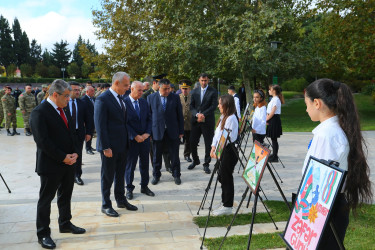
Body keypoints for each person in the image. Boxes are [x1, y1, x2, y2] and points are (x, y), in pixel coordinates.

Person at [303, 78, 372, 248]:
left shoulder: (327, 135)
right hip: (328, 208)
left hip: (324, 210)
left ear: (317, 103)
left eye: (307, 104)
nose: (306, 109)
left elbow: (320, 181)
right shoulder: (333, 130)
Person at [30, 79, 86, 249]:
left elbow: (72, 133)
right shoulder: (40, 112)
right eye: (67, 96)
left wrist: (76, 152)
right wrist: (63, 157)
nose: (70, 99)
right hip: (51, 164)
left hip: (69, 162)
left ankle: (65, 223)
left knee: (65, 195)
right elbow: (43, 141)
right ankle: (43, 233)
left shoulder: (64, 108)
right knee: (46, 199)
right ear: (55, 94)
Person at [94, 72, 138, 218]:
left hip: (122, 145)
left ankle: (120, 199)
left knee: (120, 174)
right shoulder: (103, 99)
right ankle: (106, 204)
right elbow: (100, 126)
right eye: (126, 85)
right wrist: (105, 147)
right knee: (107, 176)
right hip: (110, 147)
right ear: (117, 83)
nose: (127, 88)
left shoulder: (121, 99)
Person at [147, 78, 184, 185]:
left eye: (169, 89)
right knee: (156, 155)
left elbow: (179, 116)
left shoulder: (175, 97)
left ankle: (176, 175)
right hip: (157, 131)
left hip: (172, 131)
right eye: (165, 89)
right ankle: (156, 175)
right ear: (159, 87)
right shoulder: (151, 98)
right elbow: (148, 117)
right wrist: (149, 132)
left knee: (174, 155)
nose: (167, 91)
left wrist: (181, 131)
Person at [124, 81, 154, 199]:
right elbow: (125, 123)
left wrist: (147, 133)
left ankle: (144, 186)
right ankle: (129, 188)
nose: (142, 92)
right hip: (132, 140)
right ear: (132, 89)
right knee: (130, 165)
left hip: (145, 140)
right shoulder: (124, 103)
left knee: (145, 164)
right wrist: (135, 135)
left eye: (143, 90)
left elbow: (149, 119)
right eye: (139, 90)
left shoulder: (143, 102)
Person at [210, 95, 239, 216]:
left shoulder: (231, 118)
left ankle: (228, 206)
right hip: (223, 150)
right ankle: (224, 201)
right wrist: (213, 147)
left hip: (228, 151)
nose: (218, 106)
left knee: (226, 177)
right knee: (221, 176)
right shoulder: (224, 117)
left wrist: (217, 151)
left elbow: (225, 138)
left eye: (220, 103)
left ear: (226, 104)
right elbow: (217, 134)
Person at [188, 73, 218, 174]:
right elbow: (191, 106)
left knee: (208, 143)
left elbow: (213, 106)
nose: (204, 82)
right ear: (199, 80)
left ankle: (206, 163)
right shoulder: (194, 91)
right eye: (202, 80)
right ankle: (195, 160)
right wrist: (197, 115)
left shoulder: (213, 91)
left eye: (205, 80)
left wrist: (203, 114)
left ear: (208, 80)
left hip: (208, 121)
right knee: (192, 142)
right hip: (196, 121)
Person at [67, 82, 93, 186]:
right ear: (69, 90)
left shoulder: (82, 103)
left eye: (78, 90)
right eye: (75, 90)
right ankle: (67, 176)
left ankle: (77, 175)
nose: (78, 92)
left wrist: (89, 133)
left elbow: (88, 119)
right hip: (66, 133)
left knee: (78, 154)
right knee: (67, 154)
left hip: (79, 133)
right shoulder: (64, 102)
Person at [266, 84, 284, 162]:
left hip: (274, 119)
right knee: (273, 139)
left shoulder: (276, 99)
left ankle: (275, 156)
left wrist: (266, 119)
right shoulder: (273, 99)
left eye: (270, 89)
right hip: (271, 119)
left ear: (273, 91)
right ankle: (274, 154)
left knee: (274, 139)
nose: (268, 91)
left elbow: (273, 112)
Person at [179, 79, 193, 162]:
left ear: (189, 89)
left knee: (188, 141)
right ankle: (175, 157)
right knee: (176, 141)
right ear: (181, 89)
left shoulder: (192, 97)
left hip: (189, 123)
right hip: (180, 123)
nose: (184, 90)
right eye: (183, 88)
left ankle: (187, 155)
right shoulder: (177, 97)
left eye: (186, 88)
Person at [81, 86, 96, 155]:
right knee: (88, 133)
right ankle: (88, 148)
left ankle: (90, 146)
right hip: (87, 120)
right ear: (87, 91)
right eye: (92, 91)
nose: (94, 92)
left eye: (94, 90)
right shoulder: (84, 99)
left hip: (93, 119)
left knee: (91, 133)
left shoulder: (93, 99)